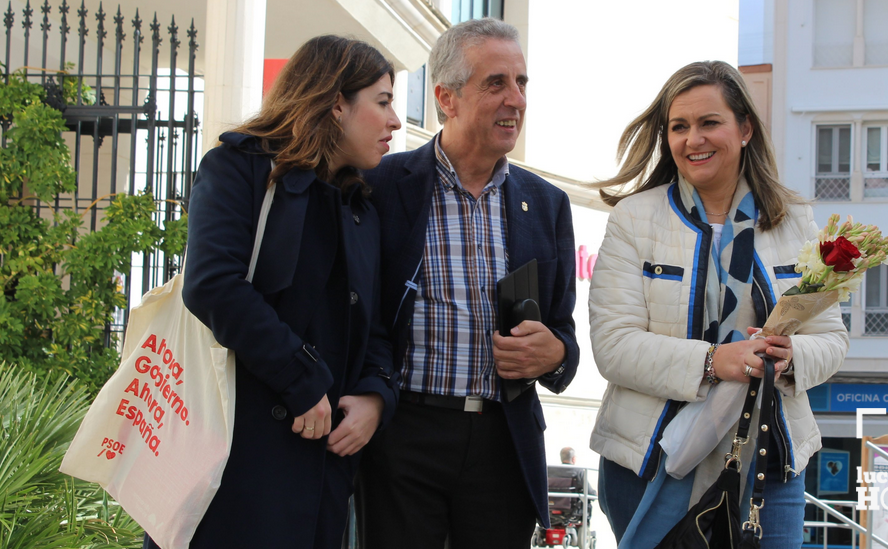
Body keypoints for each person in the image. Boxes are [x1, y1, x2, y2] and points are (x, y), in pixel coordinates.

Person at [143, 35, 401, 549]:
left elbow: (374, 326)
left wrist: (376, 395)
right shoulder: (240, 168)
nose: (395, 120)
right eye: (383, 101)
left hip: (321, 470)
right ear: (335, 104)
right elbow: (213, 284)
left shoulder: (361, 208)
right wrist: (302, 378)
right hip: (232, 454)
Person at [588, 60, 849, 548]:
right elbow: (613, 346)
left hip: (767, 460)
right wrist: (715, 362)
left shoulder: (794, 222)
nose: (693, 140)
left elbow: (831, 339)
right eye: (679, 127)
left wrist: (790, 359)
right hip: (650, 459)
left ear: (745, 128)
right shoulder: (634, 218)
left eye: (709, 122)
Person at [356, 17, 579, 549]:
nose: (515, 99)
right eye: (496, 83)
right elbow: (355, 313)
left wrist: (554, 355)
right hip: (404, 436)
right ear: (447, 98)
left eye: (521, 83)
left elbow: (564, 339)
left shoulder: (547, 205)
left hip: (504, 442)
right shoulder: (380, 186)